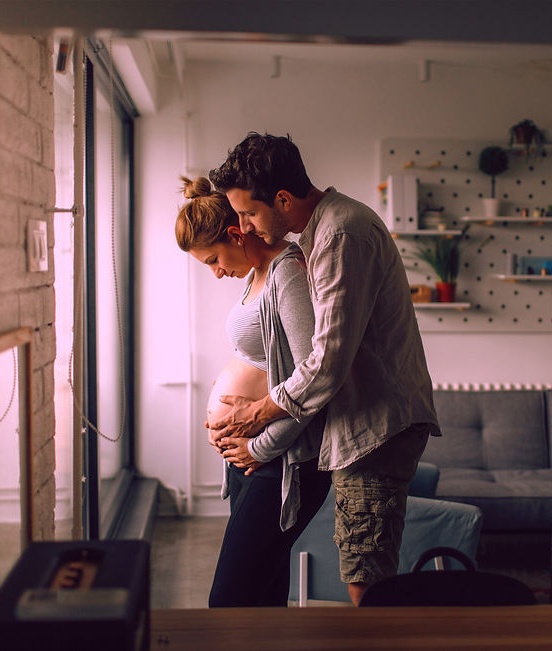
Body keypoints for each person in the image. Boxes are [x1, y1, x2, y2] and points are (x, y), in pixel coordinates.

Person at [207, 133, 439, 606]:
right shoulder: (325, 231)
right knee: (357, 570)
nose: (245, 227)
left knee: (366, 578)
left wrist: (257, 416)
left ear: (283, 199)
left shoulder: (340, 234)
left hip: (375, 428)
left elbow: (326, 362)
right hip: (360, 424)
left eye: (249, 213)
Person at [174, 176, 330, 607]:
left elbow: (312, 381)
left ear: (234, 234)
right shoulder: (256, 273)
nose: (216, 271)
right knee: (263, 593)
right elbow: (258, 357)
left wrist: (260, 447)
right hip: (251, 457)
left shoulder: (287, 273)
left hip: (279, 460)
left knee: (229, 600)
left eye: (213, 259)